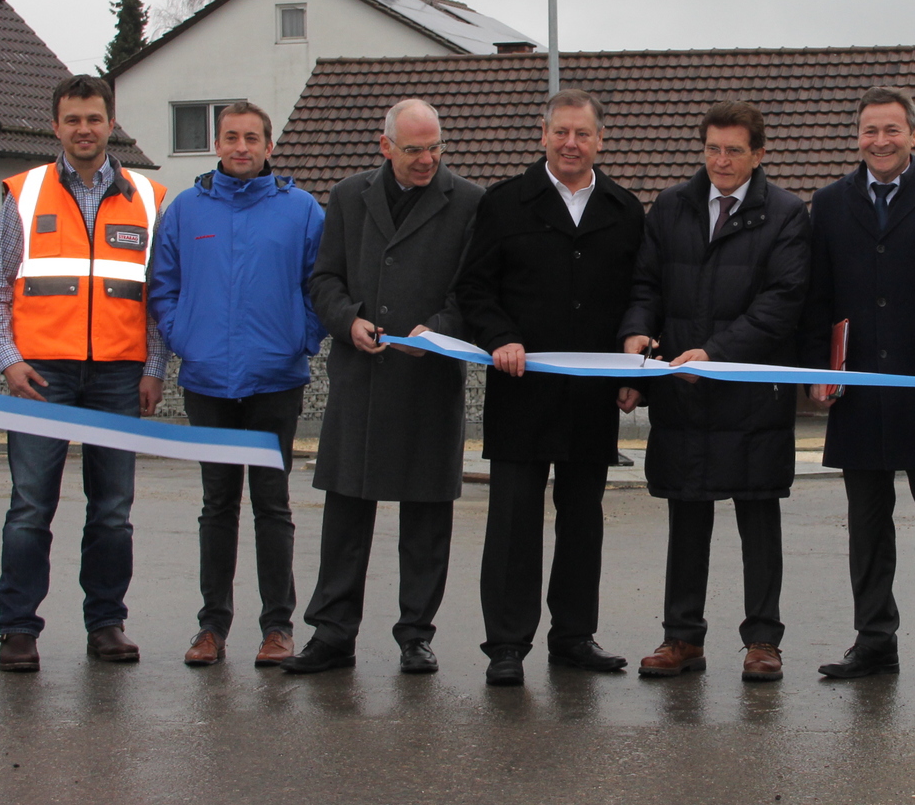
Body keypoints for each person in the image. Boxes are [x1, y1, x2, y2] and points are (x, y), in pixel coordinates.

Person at [283, 99, 483, 675]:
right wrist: (347, 320)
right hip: (362, 381)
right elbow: (323, 279)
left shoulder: (468, 201)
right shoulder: (349, 196)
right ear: (385, 146)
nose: (427, 160)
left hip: (428, 383)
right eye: (415, 149)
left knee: (426, 521)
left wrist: (438, 332)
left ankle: (416, 635)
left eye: (436, 147)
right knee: (346, 516)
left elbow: (473, 291)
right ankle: (332, 634)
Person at [454, 88, 646, 686]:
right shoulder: (504, 202)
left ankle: (573, 637)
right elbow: (474, 288)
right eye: (560, 132)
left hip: (593, 394)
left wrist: (633, 360)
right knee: (513, 523)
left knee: (583, 520)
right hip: (521, 389)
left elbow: (639, 294)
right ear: (542, 135)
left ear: (600, 140)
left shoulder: (624, 209)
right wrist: (501, 337)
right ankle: (507, 644)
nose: (570, 143)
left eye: (582, 134)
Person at [0, 74, 167, 672]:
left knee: (112, 512)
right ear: (56, 126)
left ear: (111, 123)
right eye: (73, 120)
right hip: (41, 378)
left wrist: (154, 368)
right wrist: (8, 361)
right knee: (30, 508)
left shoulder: (148, 198)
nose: (84, 130)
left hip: (119, 377)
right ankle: (18, 630)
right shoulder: (25, 193)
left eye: (94, 119)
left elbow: (160, 297)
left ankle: (106, 624)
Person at [619, 100, 811, 682]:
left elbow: (782, 302)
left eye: (733, 150)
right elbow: (645, 284)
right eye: (712, 149)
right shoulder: (671, 206)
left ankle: (763, 641)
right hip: (683, 390)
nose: (721, 161)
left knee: (759, 517)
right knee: (687, 515)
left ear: (759, 153)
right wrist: (635, 337)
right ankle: (682, 638)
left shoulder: (786, 214)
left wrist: (717, 354)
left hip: (751, 392)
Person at [802, 86, 915, 687]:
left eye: (891, 130)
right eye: (870, 131)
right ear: (857, 136)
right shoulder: (829, 203)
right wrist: (819, 369)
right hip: (858, 390)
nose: (880, 142)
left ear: (913, 134)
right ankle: (874, 640)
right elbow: (819, 296)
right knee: (866, 527)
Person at [149, 102, 325, 669]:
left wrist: (301, 337)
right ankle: (212, 628)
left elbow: (321, 283)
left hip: (275, 379)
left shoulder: (301, 210)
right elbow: (163, 286)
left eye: (252, 138)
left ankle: (278, 628)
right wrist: (184, 337)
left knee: (273, 505)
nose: (241, 147)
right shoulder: (185, 209)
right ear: (217, 144)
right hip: (208, 381)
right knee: (217, 505)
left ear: (269, 146)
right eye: (231, 137)